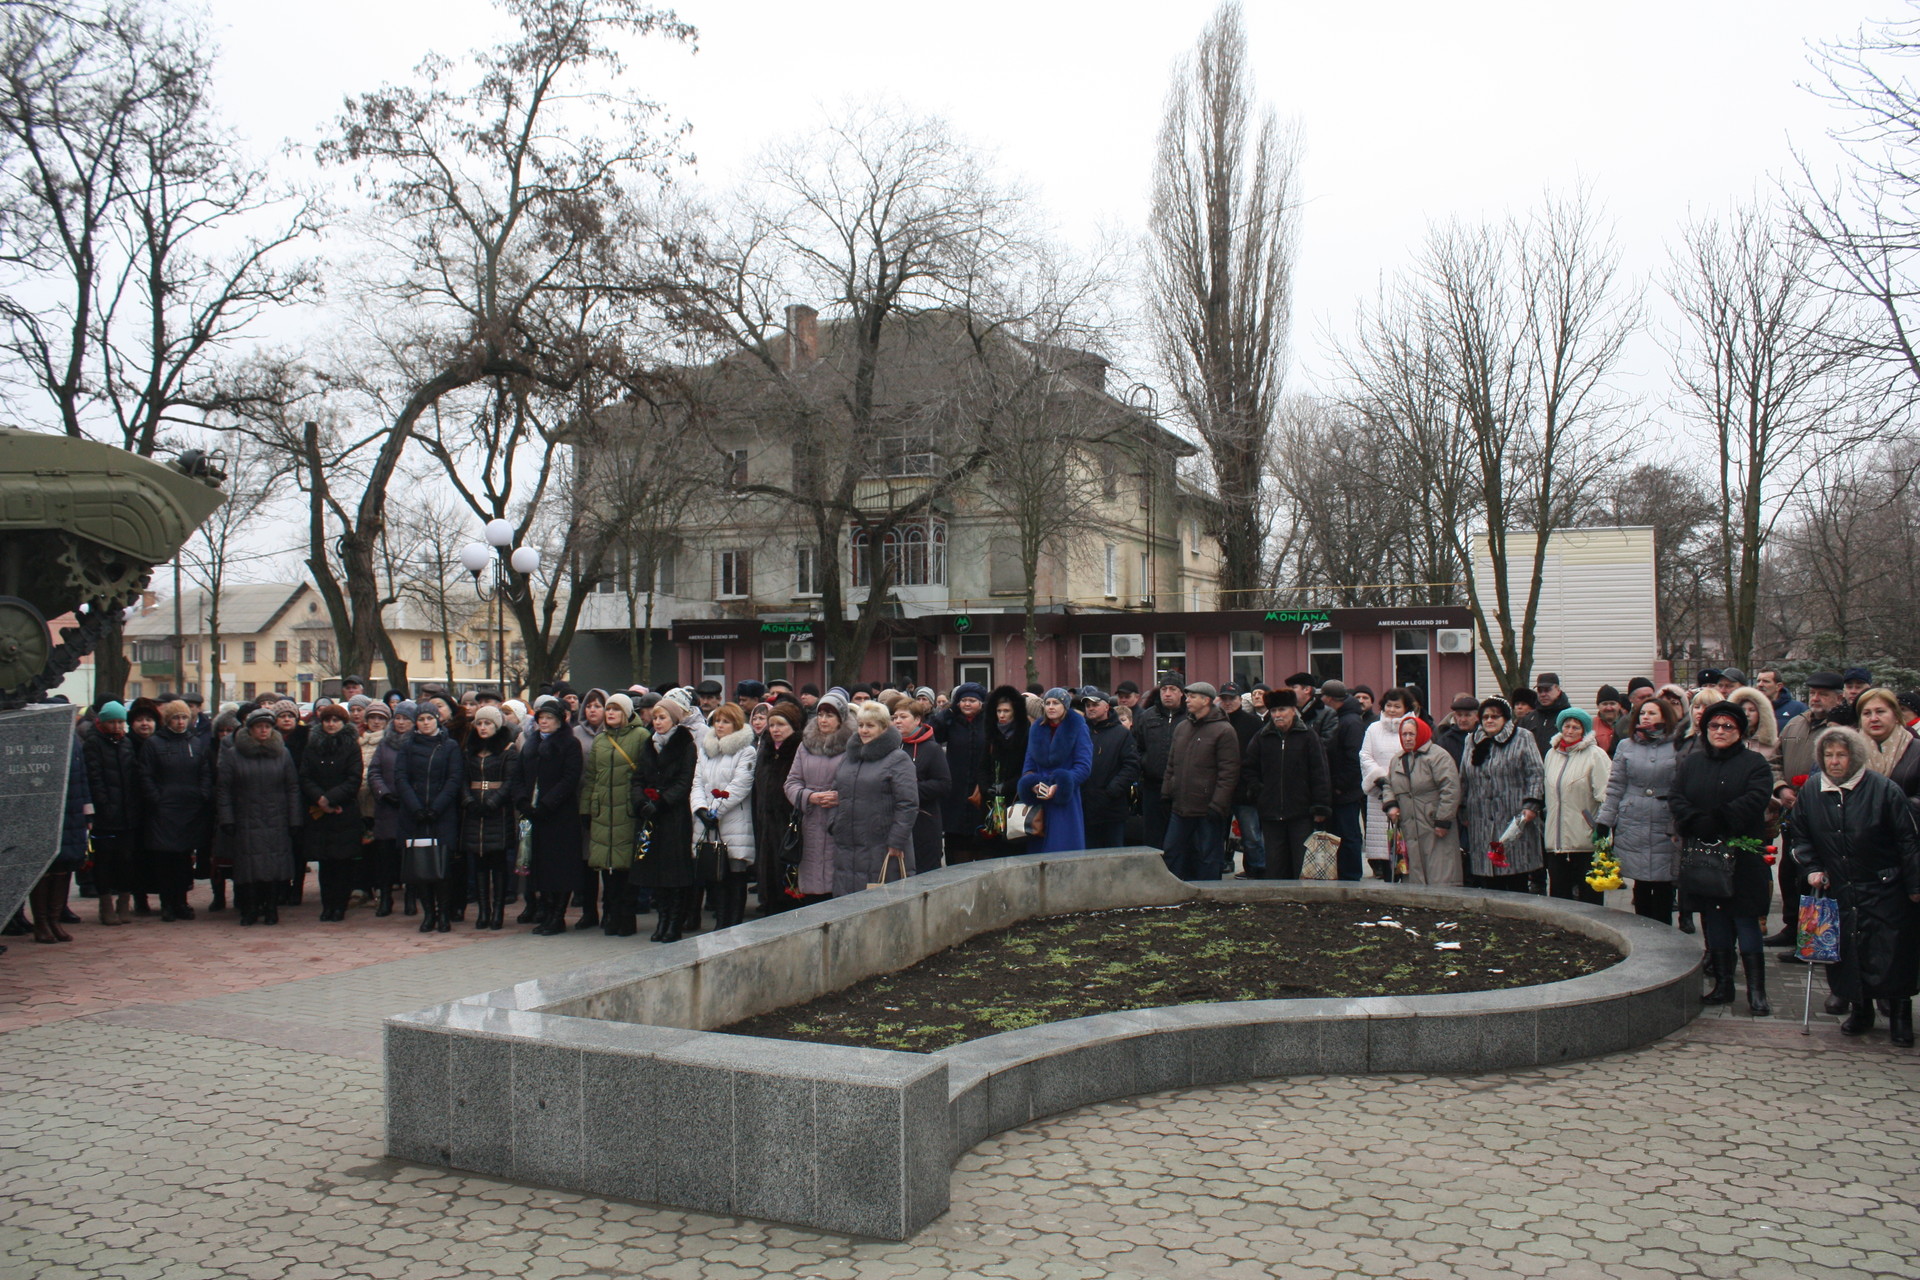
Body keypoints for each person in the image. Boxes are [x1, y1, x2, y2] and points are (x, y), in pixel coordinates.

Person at [1795, 725, 1920, 1045]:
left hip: (1884, 886)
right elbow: (1801, 834)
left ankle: (1901, 1015)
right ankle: (1860, 1011)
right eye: (1829, 755)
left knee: (1892, 953)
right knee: (1848, 953)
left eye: (1842, 754)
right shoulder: (1812, 790)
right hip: (1840, 887)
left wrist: (1914, 884)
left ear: (1855, 756)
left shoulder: (1884, 789)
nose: (1835, 761)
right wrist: (1813, 867)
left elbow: (1908, 840)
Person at [1670, 701, 1777, 1013]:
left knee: (1745, 921)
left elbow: (1755, 798)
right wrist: (1695, 820)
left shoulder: (1755, 763)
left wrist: (1718, 818)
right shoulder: (1692, 763)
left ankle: (1757, 991)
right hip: (1706, 856)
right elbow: (1676, 796)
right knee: (1714, 920)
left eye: (1728, 726)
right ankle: (1724, 984)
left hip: (1742, 857)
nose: (1720, 731)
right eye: (1714, 726)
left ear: (1740, 731)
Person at [1773, 671, 1848, 949]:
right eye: (1813, 693)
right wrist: (1781, 788)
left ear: (1838, 697)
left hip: (1825, 816)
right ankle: (1791, 927)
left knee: (1812, 879)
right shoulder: (1795, 724)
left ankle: (1811, 939)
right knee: (1789, 873)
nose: (1816, 699)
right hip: (1793, 813)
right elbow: (1775, 760)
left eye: (1823, 694)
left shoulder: (1839, 728)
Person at [1597, 697, 1683, 924]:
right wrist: (1605, 819)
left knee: (1664, 882)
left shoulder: (1678, 745)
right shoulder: (1626, 745)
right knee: (1641, 883)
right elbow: (1615, 785)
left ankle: (1665, 932)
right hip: (1634, 820)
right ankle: (1644, 929)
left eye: (1652, 713)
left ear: (1665, 716)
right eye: (1643, 713)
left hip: (1665, 820)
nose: (1646, 717)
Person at [219, 709, 303, 927]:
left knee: (274, 867)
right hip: (246, 817)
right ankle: (249, 908)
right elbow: (224, 790)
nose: (264, 730)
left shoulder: (282, 753)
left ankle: (271, 908)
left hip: (276, 817)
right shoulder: (233, 754)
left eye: (267, 726)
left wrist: (295, 819)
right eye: (259, 727)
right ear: (251, 730)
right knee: (248, 868)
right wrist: (227, 818)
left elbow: (292, 787)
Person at [829, 702, 920, 895]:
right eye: (861, 725)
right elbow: (837, 792)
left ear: (883, 728)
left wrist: (896, 840)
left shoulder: (897, 759)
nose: (863, 730)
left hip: (882, 847)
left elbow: (908, 804)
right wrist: (834, 823)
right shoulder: (849, 757)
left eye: (870, 726)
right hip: (847, 846)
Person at [1459, 697, 1545, 892]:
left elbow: (1535, 773)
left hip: (1514, 818)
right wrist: (1462, 809)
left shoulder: (1522, 737)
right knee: (1489, 879)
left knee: (1515, 876)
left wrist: (1531, 805)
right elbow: (1463, 777)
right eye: (1486, 717)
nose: (1489, 720)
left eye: (1495, 717)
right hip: (1480, 820)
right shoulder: (1471, 741)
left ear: (1505, 718)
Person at [136, 699, 211, 921]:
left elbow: (205, 772)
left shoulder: (195, 743)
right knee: (165, 860)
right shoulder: (154, 744)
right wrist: (156, 799)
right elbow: (145, 775)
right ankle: (167, 903)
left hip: (190, 808)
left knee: (184, 860)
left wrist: (202, 794)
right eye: (176, 718)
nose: (180, 722)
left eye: (184, 718)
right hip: (164, 810)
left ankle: (182, 902)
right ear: (167, 720)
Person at [1243, 689, 1331, 879]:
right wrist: (1258, 790)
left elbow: (1320, 772)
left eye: (1282, 710)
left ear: (1293, 710)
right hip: (1270, 812)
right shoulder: (1262, 737)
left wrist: (1320, 806)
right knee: (1275, 863)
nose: (1277, 715)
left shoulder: (1308, 736)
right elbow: (1249, 767)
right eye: (1274, 711)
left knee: (1301, 863)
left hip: (1301, 812)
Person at [517, 699, 587, 936]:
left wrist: (548, 802)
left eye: (549, 718)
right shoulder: (531, 744)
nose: (544, 722)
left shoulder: (569, 743)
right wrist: (523, 801)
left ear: (560, 720)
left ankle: (558, 915)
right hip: (534, 814)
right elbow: (518, 775)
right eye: (541, 718)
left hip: (559, 815)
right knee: (540, 866)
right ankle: (546, 912)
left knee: (560, 867)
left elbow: (570, 778)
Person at [630, 697, 698, 940]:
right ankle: (662, 920)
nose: (658, 723)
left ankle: (674, 923)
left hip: (673, 817)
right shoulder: (650, 743)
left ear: (674, 720)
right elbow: (638, 777)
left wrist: (662, 801)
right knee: (655, 873)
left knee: (674, 873)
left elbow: (684, 781)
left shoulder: (685, 744)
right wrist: (641, 801)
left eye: (663, 718)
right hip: (651, 817)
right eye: (655, 718)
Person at [582, 693, 648, 937]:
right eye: (608, 710)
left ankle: (626, 917)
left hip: (627, 810)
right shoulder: (601, 740)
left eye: (616, 710)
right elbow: (591, 777)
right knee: (606, 867)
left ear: (627, 713)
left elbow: (645, 773)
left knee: (625, 866)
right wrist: (587, 808)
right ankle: (610, 914)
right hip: (602, 811)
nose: (610, 714)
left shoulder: (641, 737)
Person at [1160, 682, 1240, 881]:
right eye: (1187, 696)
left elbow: (1228, 772)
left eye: (1193, 696)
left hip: (1207, 809)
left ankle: (1209, 899)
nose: (1187, 700)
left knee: (1208, 856)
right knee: (1172, 852)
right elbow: (1172, 763)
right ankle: (1175, 894)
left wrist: (1217, 805)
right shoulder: (1182, 728)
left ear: (1206, 700)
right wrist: (1167, 791)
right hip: (1180, 806)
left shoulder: (1224, 730)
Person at [396, 702, 464, 933]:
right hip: (414, 816)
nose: (425, 723)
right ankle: (428, 914)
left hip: (441, 816)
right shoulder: (407, 746)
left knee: (442, 868)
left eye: (429, 718)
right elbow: (401, 778)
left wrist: (437, 807)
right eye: (421, 719)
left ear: (437, 720)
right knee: (421, 868)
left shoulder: (450, 746)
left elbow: (454, 779)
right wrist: (415, 807)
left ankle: (444, 914)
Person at [693, 701, 758, 930]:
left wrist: (715, 810)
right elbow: (698, 783)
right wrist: (700, 810)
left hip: (734, 820)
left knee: (735, 872)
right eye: (717, 721)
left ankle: (735, 921)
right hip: (709, 822)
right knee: (716, 874)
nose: (720, 726)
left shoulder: (746, 751)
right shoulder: (707, 749)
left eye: (726, 721)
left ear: (736, 724)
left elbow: (740, 785)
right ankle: (721, 921)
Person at [299, 702, 364, 922]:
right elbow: (305, 776)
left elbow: (354, 778)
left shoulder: (351, 746)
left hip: (343, 811)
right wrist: (320, 798)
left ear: (343, 723)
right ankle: (327, 905)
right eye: (327, 720)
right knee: (325, 863)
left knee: (342, 863)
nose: (331, 724)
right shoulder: (312, 746)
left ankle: (340, 906)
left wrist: (331, 798)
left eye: (335, 720)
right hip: (319, 811)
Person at [785, 694, 851, 907]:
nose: (823, 720)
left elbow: (862, 784)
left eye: (829, 715)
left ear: (841, 718)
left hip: (839, 821)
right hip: (810, 821)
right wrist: (809, 796)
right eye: (821, 714)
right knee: (812, 889)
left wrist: (840, 797)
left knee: (837, 886)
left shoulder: (853, 746)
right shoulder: (805, 745)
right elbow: (791, 783)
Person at [1541, 708, 1611, 904]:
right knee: (1559, 897)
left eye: (1576, 727)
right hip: (1556, 840)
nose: (1570, 731)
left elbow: (1606, 796)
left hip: (1585, 840)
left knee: (1590, 897)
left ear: (1584, 731)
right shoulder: (1551, 755)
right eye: (1566, 726)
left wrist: (1602, 830)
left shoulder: (1596, 755)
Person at [82, 701, 141, 927]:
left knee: (126, 859)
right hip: (105, 815)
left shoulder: (126, 744)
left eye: (120, 722)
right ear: (102, 722)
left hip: (128, 813)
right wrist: (104, 806)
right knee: (104, 860)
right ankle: (105, 904)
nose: (117, 726)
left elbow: (133, 776)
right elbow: (94, 778)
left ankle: (124, 902)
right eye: (112, 722)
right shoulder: (93, 744)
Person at [1383, 715, 1461, 886]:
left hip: (1433, 821)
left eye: (1412, 734)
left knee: (1440, 869)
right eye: (1404, 735)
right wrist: (1391, 805)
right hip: (1408, 824)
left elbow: (1450, 789)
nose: (1408, 738)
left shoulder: (1439, 756)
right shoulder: (1397, 759)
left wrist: (1443, 820)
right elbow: (1388, 784)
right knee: (1414, 869)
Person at [1016, 689, 1093, 855]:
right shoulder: (1036, 729)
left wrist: (1060, 785)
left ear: (1065, 706)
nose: (1051, 707)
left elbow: (1083, 766)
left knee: (1064, 849)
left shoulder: (1078, 727)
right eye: (1048, 703)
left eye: (1056, 703)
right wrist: (1032, 784)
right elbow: (1028, 764)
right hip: (1039, 799)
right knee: (1038, 850)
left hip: (1066, 799)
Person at [462, 704, 518, 930]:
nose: (483, 728)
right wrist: (468, 801)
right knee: (479, 862)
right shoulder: (470, 750)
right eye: (479, 723)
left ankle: (498, 911)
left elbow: (510, 781)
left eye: (487, 724)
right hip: (475, 812)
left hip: (498, 812)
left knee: (498, 861)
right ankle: (483, 911)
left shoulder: (507, 750)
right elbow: (463, 780)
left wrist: (494, 801)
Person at [29, 731, 89, 944]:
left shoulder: (73, 740)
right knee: (44, 868)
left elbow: (82, 776)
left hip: (71, 811)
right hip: (44, 810)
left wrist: (87, 811)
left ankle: (55, 920)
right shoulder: (40, 737)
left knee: (65, 866)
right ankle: (41, 922)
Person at [753, 702, 804, 914]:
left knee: (786, 867)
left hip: (788, 820)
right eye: (772, 724)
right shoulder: (765, 749)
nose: (775, 730)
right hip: (765, 819)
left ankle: (786, 903)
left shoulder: (798, 750)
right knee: (767, 864)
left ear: (793, 726)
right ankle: (768, 901)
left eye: (781, 724)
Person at [1360, 688, 1415, 879]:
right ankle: (1384, 872)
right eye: (1389, 705)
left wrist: (1397, 781)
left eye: (1397, 706)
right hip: (1379, 792)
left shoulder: (1413, 727)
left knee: (1407, 842)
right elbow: (1365, 755)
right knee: (1382, 841)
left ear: (1406, 708)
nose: (1392, 710)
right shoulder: (1374, 729)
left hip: (1406, 790)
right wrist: (1380, 777)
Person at [933, 682, 990, 864]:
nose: (967, 704)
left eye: (972, 700)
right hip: (955, 790)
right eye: (963, 700)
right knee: (956, 849)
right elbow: (931, 732)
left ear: (981, 703)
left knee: (984, 846)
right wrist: (947, 713)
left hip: (983, 789)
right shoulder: (952, 721)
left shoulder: (989, 721)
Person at [892, 698, 951, 874]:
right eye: (895, 717)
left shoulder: (932, 748)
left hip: (924, 823)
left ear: (917, 720)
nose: (898, 721)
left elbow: (944, 784)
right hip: (896, 822)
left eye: (903, 716)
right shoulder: (892, 747)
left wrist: (909, 789)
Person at [1077, 689, 1141, 850]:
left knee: (1113, 855)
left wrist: (1113, 790)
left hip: (1111, 807)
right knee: (1087, 855)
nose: (1090, 708)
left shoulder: (1121, 734)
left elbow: (1131, 766)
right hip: (1085, 806)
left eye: (1095, 705)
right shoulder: (1081, 732)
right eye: (1088, 705)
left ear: (1106, 707)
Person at [1319, 681, 1369, 881]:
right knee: (1339, 835)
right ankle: (1341, 873)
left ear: (1330, 699)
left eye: (1323, 696)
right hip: (1339, 790)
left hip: (1345, 792)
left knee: (1348, 835)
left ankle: (1351, 876)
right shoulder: (1343, 718)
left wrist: (1339, 786)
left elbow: (1353, 759)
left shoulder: (1350, 722)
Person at [366, 701, 412, 917]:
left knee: (410, 857)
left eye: (406, 719)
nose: (401, 723)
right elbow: (374, 771)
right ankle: (385, 897)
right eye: (399, 718)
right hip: (387, 809)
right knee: (385, 858)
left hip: (411, 809)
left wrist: (409, 797)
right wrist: (384, 793)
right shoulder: (385, 744)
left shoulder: (418, 743)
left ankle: (411, 897)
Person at [1133, 674, 1186, 848]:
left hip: (1181, 788)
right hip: (1152, 786)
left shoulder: (1189, 718)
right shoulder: (1147, 717)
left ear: (1181, 693)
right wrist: (1145, 764)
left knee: (1180, 838)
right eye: (1164, 689)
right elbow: (1136, 747)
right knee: (1153, 837)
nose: (1167, 694)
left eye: (1173, 689)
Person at [981, 686, 1033, 857]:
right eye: (998, 711)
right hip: (992, 802)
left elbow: (1028, 768)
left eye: (1006, 711)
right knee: (992, 848)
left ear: (1015, 712)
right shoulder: (991, 734)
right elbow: (982, 766)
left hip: (1015, 799)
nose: (1002, 715)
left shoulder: (1025, 734)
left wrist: (1008, 786)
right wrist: (986, 786)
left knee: (1015, 847)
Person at [1856, 687, 1920, 807]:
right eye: (1866, 713)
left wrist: (1894, 809)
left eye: (1880, 711)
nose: (1873, 718)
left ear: (1896, 715)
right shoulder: (1848, 751)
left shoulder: (1916, 750)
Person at [1756, 668, 1807, 733]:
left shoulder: (1798, 709)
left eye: (1765, 681)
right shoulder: (1751, 708)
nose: (1760, 684)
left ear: (1779, 686)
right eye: (1758, 681)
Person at [1434, 695, 1479, 768]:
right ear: (1455, 716)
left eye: (1467, 715)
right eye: (1459, 715)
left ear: (1477, 717)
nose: (1463, 719)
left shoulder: (1485, 736)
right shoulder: (1446, 740)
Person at [1593, 686, 1628, 755]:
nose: (1609, 708)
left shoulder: (1629, 723)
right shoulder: (1591, 726)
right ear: (1598, 706)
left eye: (1612, 703)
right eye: (1605, 704)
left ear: (1619, 705)